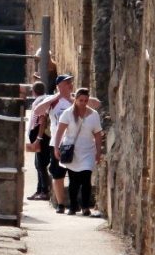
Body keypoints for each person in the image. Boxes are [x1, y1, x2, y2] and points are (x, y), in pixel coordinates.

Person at [52, 88, 103, 216]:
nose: (83, 103)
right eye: (81, 100)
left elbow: (97, 134)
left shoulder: (94, 115)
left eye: (86, 100)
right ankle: (73, 206)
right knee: (74, 181)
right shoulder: (68, 113)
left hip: (88, 151)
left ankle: (85, 207)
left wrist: (98, 151)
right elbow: (60, 131)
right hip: (72, 151)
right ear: (75, 100)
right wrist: (56, 148)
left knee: (86, 179)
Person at [32, 74, 75, 212]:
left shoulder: (75, 99)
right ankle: (61, 204)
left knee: (76, 173)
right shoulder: (52, 101)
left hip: (74, 142)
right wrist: (56, 97)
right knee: (58, 174)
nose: (70, 84)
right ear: (60, 85)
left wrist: (72, 99)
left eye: (71, 82)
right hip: (56, 143)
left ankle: (74, 204)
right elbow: (37, 111)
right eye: (67, 82)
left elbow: (95, 104)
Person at [25, 81, 51, 201]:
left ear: (33, 91)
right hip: (38, 136)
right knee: (38, 164)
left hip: (41, 137)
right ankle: (39, 189)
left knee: (41, 164)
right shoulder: (41, 100)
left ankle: (44, 191)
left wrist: (38, 138)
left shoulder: (41, 102)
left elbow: (42, 121)